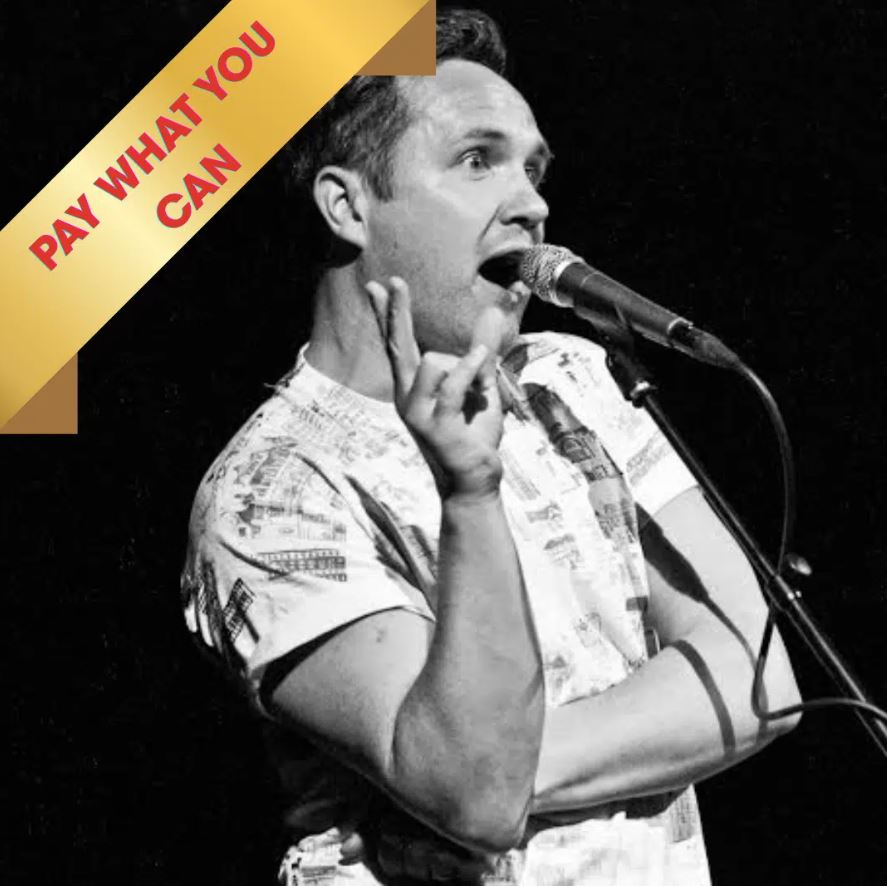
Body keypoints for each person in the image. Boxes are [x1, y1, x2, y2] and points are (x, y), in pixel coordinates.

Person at [181, 8, 802, 884]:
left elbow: (761, 676)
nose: (533, 202)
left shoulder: (572, 380)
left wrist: (486, 772)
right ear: (347, 206)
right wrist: (468, 497)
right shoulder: (274, 486)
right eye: (478, 161)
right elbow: (477, 795)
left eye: (533, 168)